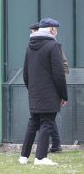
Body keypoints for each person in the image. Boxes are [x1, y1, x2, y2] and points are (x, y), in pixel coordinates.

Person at [19, 18, 68, 165]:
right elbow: (59, 74)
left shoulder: (30, 46)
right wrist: (63, 94)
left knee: (33, 122)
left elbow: (25, 74)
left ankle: (23, 156)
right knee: (47, 122)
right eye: (55, 28)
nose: (57, 31)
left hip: (34, 92)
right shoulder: (53, 46)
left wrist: (32, 89)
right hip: (49, 93)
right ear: (51, 30)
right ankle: (40, 157)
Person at [29, 22, 69, 153]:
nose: (32, 34)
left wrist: (61, 86)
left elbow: (62, 66)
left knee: (46, 119)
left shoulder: (53, 46)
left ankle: (47, 149)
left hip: (51, 87)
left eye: (34, 31)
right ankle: (52, 146)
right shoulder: (34, 46)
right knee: (46, 118)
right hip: (43, 88)